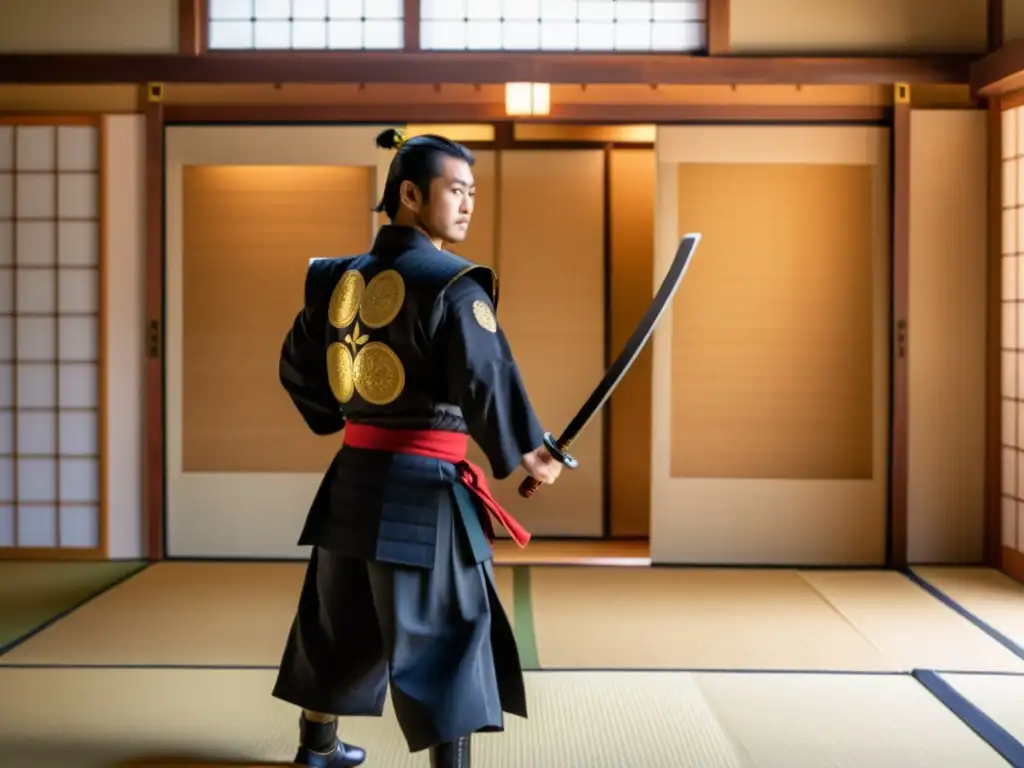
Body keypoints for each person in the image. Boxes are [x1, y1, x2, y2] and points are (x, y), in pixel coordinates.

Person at [271, 128, 566, 768]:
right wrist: (528, 453)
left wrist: (340, 416)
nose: (466, 204)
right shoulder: (455, 285)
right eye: (454, 190)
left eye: (472, 193)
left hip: (351, 483)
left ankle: (317, 749)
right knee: (446, 635)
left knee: (337, 618)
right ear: (410, 194)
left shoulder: (333, 279)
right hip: (421, 494)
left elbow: (297, 367)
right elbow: (485, 376)